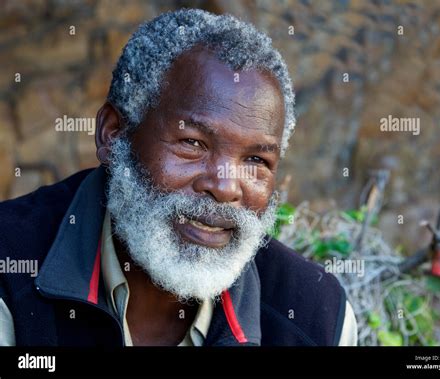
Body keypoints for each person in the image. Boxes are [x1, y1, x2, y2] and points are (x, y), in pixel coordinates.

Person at [0, 9, 357, 346]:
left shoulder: (317, 319)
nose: (225, 187)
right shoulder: (10, 265)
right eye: (193, 143)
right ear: (113, 134)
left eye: (255, 160)